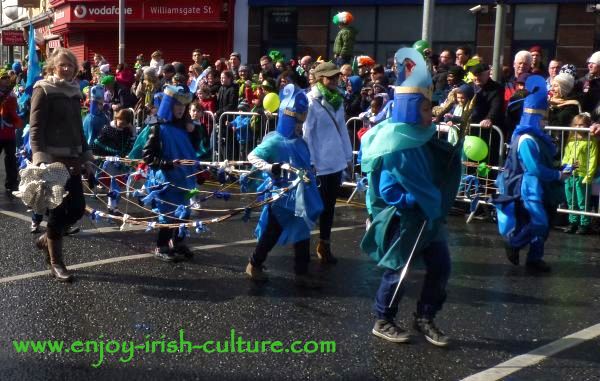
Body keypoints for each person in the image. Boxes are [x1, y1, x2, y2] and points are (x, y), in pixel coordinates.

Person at [360, 47, 462, 346]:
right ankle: (383, 319)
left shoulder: (421, 134)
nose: (432, 113)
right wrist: (413, 201)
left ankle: (425, 316)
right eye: (427, 108)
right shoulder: (393, 142)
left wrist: (452, 153)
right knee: (398, 272)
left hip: (428, 216)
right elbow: (388, 189)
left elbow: (432, 167)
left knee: (441, 267)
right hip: (406, 218)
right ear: (412, 107)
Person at [245, 84, 324, 288]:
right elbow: (252, 156)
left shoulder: (300, 142)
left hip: (299, 198)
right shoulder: (275, 141)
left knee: (303, 232)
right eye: (298, 121)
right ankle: (254, 264)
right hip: (281, 198)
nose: (301, 126)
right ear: (289, 118)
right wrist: (271, 167)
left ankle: (301, 272)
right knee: (271, 233)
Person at [493, 75, 570, 274]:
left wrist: (561, 169)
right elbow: (533, 168)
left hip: (541, 185)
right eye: (543, 118)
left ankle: (535, 257)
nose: (546, 122)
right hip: (528, 187)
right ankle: (514, 243)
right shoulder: (527, 139)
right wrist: (557, 176)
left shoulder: (539, 138)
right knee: (539, 222)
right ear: (534, 117)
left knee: (544, 222)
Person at [30, 47, 94, 282]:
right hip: (52, 160)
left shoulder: (75, 91)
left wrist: (87, 155)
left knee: (77, 208)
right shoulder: (44, 89)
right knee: (57, 212)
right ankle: (56, 262)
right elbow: (35, 127)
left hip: (74, 158)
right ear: (52, 67)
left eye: (70, 65)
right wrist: (40, 157)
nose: (66, 69)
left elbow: (79, 127)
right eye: (62, 65)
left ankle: (48, 239)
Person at [303, 62, 353, 264]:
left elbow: (342, 130)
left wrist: (348, 158)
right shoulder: (311, 100)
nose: (334, 80)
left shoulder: (338, 100)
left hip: (335, 162)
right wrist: (311, 161)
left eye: (336, 77)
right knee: (311, 208)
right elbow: (307, 134)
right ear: (319, 78)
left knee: (329, 207)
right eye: (330, 77)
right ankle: (301, 247)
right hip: (319, 164)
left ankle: (324, 245)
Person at [142, 85, 197, 261]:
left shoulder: (184, 127)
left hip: (183, 178)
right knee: (167, 214)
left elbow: (192, 150)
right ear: (169, 105)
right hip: (165, 178)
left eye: (183, 105)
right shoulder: (157, 127)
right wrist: (167, 164)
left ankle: (178, 242)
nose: (181, 109)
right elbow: (148, 156)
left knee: (184, 213)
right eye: (177, 105)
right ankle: (162, 246)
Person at [562, 114, 597, 235]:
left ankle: (584, 224)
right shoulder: (571, 141)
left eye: (581, 125)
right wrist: (565, 172)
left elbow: (593, 159)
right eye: (576, 125)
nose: (578, 127)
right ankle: (573, 222)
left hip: (582, 174)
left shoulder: (591, 142)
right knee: (571, 200)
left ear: (587, 126)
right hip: (570, 174)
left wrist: (589, 175)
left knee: (582, 201)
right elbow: (566, 157)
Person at [0, 68, 23, 195]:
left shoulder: (12, 94)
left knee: (11, 158)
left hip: (8, 131)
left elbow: (15, 110)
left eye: (6, 79)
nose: (5, 81)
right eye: (3, 79)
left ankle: (12, 183)